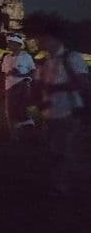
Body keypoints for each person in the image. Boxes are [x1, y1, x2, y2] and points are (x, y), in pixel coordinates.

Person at [35, 25, 89, 196]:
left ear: (56, 39)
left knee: (65, 150)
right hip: (51, 112)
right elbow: (40, 86)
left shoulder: (72, 58)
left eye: (44, 39)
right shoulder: (45, 61)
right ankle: (59, 183)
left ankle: (64, 185)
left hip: (68, 110)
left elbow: (84, 83)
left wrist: (55, 89)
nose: (40, 42)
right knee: (55, 150)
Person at [1, 33, 36, 138]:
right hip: (9, 86)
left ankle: (28, 130)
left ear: (18, 44)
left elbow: (33, 71)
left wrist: (21, 75)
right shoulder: (6, 57)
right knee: (10, 111)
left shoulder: (26, 57)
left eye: (11, 43)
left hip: (22, 85)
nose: (9, 45)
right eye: (9, 43)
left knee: (20, 109)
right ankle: (15, 134)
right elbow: (3, 72)